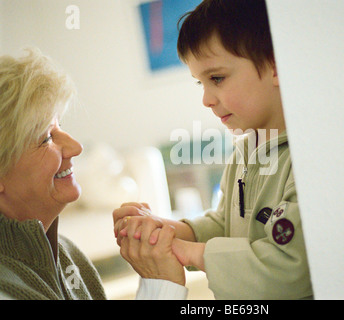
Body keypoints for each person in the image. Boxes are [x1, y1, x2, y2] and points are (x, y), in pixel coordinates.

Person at [114, 0, 313, 299]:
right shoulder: (246, 152)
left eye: (216, 78)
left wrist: (187, 252)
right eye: (200, 84)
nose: (206, 99)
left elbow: (289, 265)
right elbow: (225, 223)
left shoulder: (309, 157)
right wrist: (167, 230)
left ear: (276, 65)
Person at [0, 49, 186, 300]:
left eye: (61, 126)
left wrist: (157, 280)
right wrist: (162, 287)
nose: (76, 147)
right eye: (45, 137)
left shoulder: (67, 254)